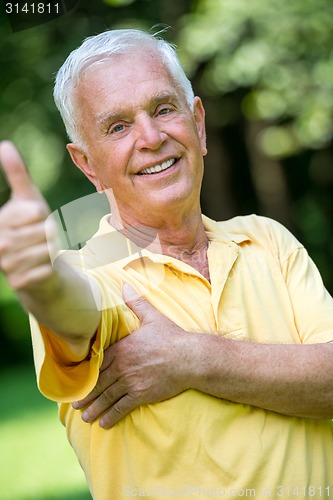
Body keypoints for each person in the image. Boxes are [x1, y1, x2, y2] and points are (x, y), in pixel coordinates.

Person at [0, 28, 333, 500]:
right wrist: (37, 280)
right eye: (117, 126)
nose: (152, 138)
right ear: (88, 165)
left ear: (197, 124)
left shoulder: (268, 241)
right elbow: (69, 309)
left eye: (163, 109)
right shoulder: (85, 273)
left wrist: (193, 358)